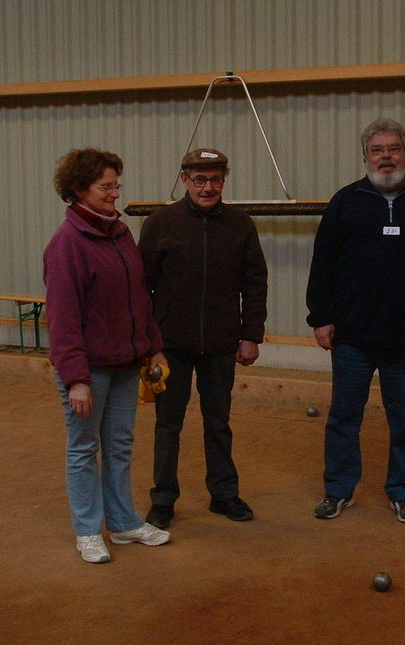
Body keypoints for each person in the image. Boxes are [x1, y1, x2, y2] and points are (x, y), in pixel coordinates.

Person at [306, 118, 405, 524]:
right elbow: (323, 265)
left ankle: (403, 491)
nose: (386, 157)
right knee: (343, 418)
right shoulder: (346, 202)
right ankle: (338, 490)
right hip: (352, 335)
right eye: (378, 150)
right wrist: (321, 317)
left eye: (394, 148)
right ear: (365, 155)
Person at [44, 148, 170, 563]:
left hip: (125, 364)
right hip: (90, 370)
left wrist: (151, 347)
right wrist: (76, 378)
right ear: (79, 190)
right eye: (106, 187)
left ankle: (123, 523)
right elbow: (62, 321)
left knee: (119, 446)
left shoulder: (121, 234)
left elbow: (139, 299)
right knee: (83, 450)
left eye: (116, 185)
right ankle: (87, 531)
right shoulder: (67, 244)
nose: (115, 194)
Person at [137, 148, 268, 529]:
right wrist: (150, 342)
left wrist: (251, 335)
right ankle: (163, 499)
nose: (207, 187)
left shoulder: (241, 225)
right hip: (170, 346)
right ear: (184, 180)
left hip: (222, 344)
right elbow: (140, 287)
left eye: (215, 179)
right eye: (200, 179)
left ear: (224, 181)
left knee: (218, 421)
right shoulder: (160, 223)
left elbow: (255, 283)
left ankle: (224, 494)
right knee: (168, 425)